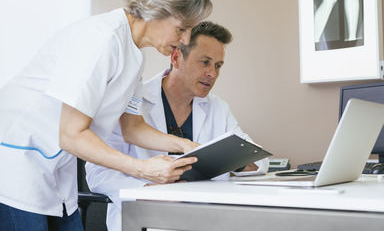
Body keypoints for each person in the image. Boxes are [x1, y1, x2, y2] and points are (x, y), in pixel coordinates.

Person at [0, 0, 212, 230]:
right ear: (157, 8)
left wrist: (185, 146)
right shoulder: (101, 40)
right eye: (182, 28)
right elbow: (71, 134)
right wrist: (141, 169)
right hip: (17, 164)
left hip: (54, 169)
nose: (185, 40)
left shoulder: (134, 54)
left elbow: (132, 128)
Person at [86, 21, 269, 231]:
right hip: (144, 220)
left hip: (205, 220)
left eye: (218, 66)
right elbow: (98, 173)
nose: (213, 73)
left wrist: (234, 161)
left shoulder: (218, 108)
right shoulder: (133, 102)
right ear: (176, 58)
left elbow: (259, 161)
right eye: (205, 62)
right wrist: (148, 190)